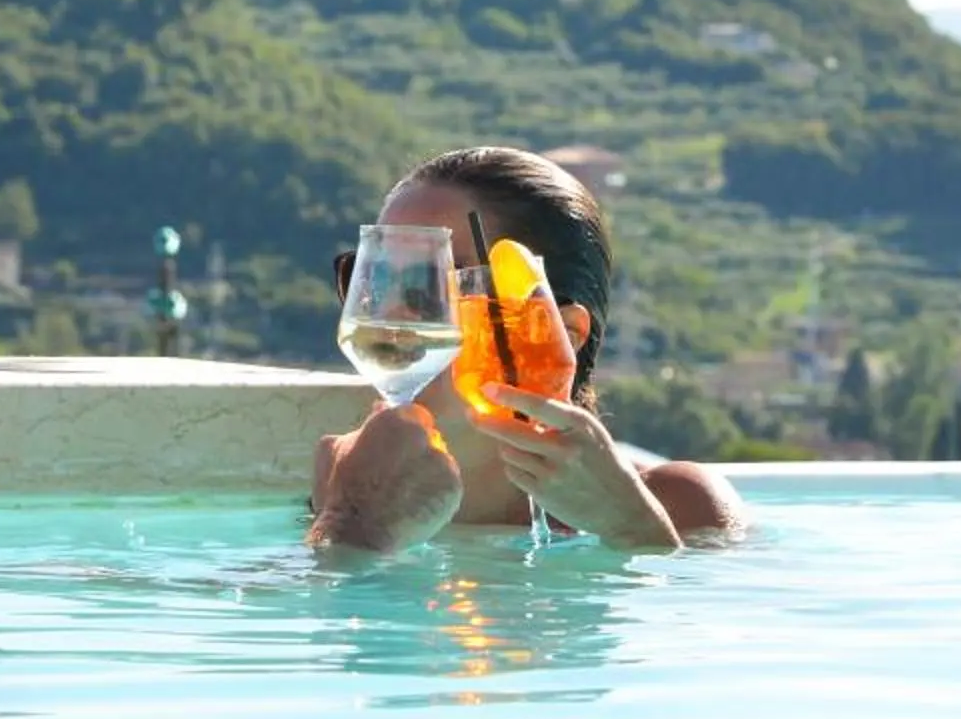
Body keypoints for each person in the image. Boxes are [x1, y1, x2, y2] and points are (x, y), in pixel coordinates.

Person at [309, 146, 745, 554]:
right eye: (378, 275)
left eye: (438, 279)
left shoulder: (678, 505)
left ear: (561, 331)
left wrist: (632, 528)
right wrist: (351, 525)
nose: (394, 313)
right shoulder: (336, 488)